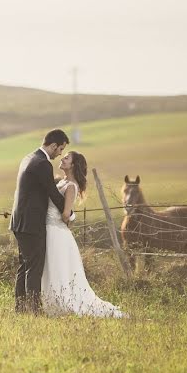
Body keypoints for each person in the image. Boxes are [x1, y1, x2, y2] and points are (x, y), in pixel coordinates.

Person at [41, 151, 126, 317]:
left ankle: (61, 304)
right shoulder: (61, 182)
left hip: (56, 232)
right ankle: (49, 302)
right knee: (50, 267)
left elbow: (66, 214)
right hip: (50, 229)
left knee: (57, 267)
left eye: (66, 158)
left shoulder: (71, 186)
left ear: (73, 165)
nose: (62, 159)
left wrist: (71, 217)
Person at [9, 129, 70, 314]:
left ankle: (20, 308)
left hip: (19, 221)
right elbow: (52, 192)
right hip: (32, 224)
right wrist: (70, 214)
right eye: (60, 149)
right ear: (53, 145)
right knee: (34, 268)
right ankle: (34, 310)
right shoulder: (43, 164)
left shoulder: (28, 158)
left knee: (25, 266)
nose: (60, 153)